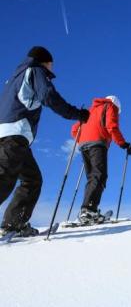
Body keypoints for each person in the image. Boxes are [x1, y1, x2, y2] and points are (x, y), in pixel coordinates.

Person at [0, 46, 90, 236]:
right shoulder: (35, 71)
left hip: (12, 135)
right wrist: (77, 114)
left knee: (32, 180)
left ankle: (13, 224)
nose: (52, 69)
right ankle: (12, 224)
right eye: (51, 64)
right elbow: (49, 96)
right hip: (14, 135)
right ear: (45, 61)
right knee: (4, 179)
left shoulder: (15, 77)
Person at [71, 95, 131, 224]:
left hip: (83, 145)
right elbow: (112, 126)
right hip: (97, 143)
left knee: (92, 177)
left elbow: (75, 129)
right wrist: (123, 144)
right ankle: (88, 211)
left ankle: (88, 209)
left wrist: (82, 140)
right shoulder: (110, 106)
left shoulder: (91, 109)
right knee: (99, 175)